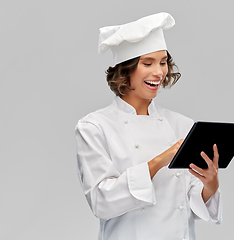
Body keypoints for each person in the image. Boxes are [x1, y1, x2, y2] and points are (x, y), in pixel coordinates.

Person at [75, 12, 222, 240]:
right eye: (148, 63)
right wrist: (159, 161)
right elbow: (101, 201)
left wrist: (210, 185)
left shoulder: (182, 124)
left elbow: (191, 201)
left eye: (163, 62)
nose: (159, 72)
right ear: (125, 69)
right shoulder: (94, 127)